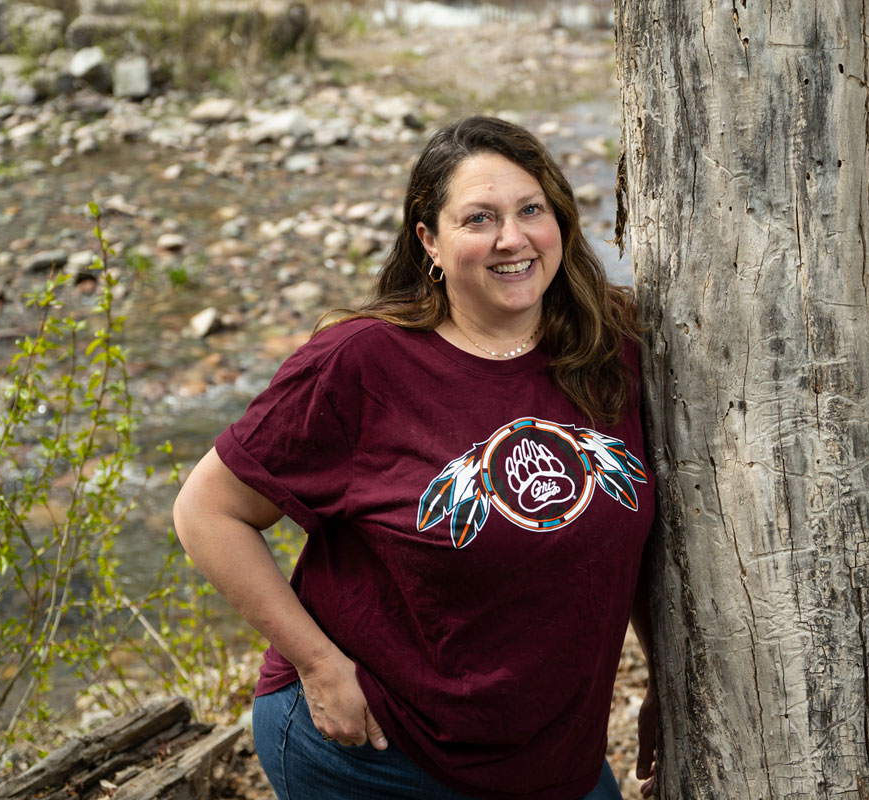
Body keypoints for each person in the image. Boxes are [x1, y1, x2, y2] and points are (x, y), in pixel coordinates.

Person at [173, 115, 658, 800]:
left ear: (562, 222)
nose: (512, 238)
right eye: (479, 219)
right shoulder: (362, 363)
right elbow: (206, 511)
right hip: (375, 752)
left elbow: (636, 543)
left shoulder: (610, 351)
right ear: (429, 240)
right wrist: (319, 667)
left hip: (552, 758)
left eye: (530, 210)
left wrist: (668, 678)